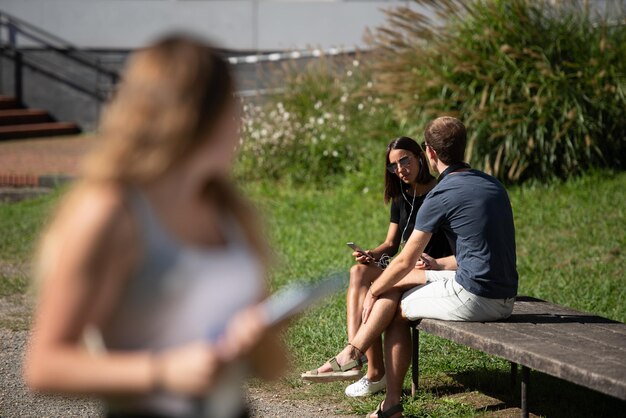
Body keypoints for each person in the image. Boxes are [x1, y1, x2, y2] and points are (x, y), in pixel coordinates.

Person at [23, 34, 286, 418]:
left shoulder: (226, 208)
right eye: (233, 105)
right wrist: (161, 371)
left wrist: (255, 339)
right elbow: (43, 366)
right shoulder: (110, 212)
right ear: (193, 114)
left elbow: (271, 367)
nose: (240, 120)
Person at [305, 116, 518, 418]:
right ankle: (355, 358)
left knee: (395, 308)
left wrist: (373, 292)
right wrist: (438, 263)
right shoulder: (492, 184)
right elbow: (484, 252)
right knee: (395, 290)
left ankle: (377, 385)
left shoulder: (440, 194)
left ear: (428, 153)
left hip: (476, 296)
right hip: (504, 293)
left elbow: (404, 260)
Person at [301, 137, 454, 397]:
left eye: (404, 160)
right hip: (403, 265)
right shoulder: (400, 196)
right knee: (358, 271)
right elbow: (391, 243)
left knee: (379, 289)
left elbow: (455, 248)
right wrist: (371, 253)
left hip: (430, 270)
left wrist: (434, 263)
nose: (400, 169)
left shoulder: (439, 193)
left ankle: (368, 368)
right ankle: (357, 357)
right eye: (393, 166)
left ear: (420, 156)